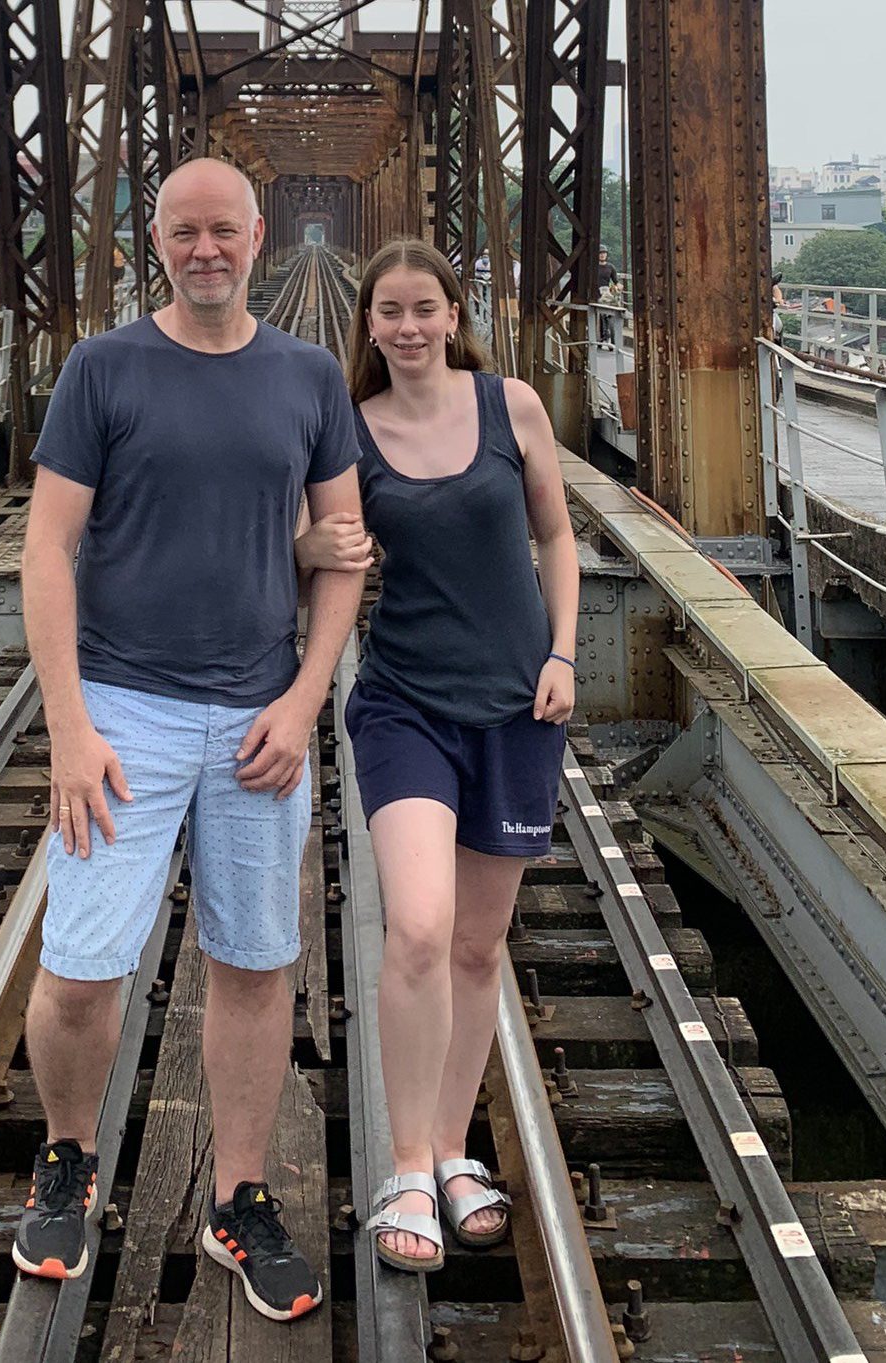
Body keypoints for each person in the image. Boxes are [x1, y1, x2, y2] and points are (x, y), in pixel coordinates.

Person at [15, 158, 366, 1321]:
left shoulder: (309, 375)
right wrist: (68, 723)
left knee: (257, 963)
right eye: (182, 231)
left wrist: (308, 696)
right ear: (151, 241)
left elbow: (343, 548)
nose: (204, 248)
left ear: (259, 236)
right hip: (124, 706)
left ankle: (239, 1192)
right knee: (80, 966)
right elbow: (47, 550)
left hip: (261, 708)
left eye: (223, 229)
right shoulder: (103, 368)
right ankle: (67, 1156)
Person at [297, 238, 578, 1272]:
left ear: (453, 315)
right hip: (406, 703)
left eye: (426, 308)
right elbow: (311, 544)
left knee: (476, 947)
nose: (408, 327)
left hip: (516, 706)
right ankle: (407, 1163)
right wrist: (308, 549)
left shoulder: (514, 406)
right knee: (418, 926)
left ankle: (458, 1152)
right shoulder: (350, 433)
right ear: (366, 326)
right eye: (390, 312)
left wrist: (564, 651)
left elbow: (555, 535)